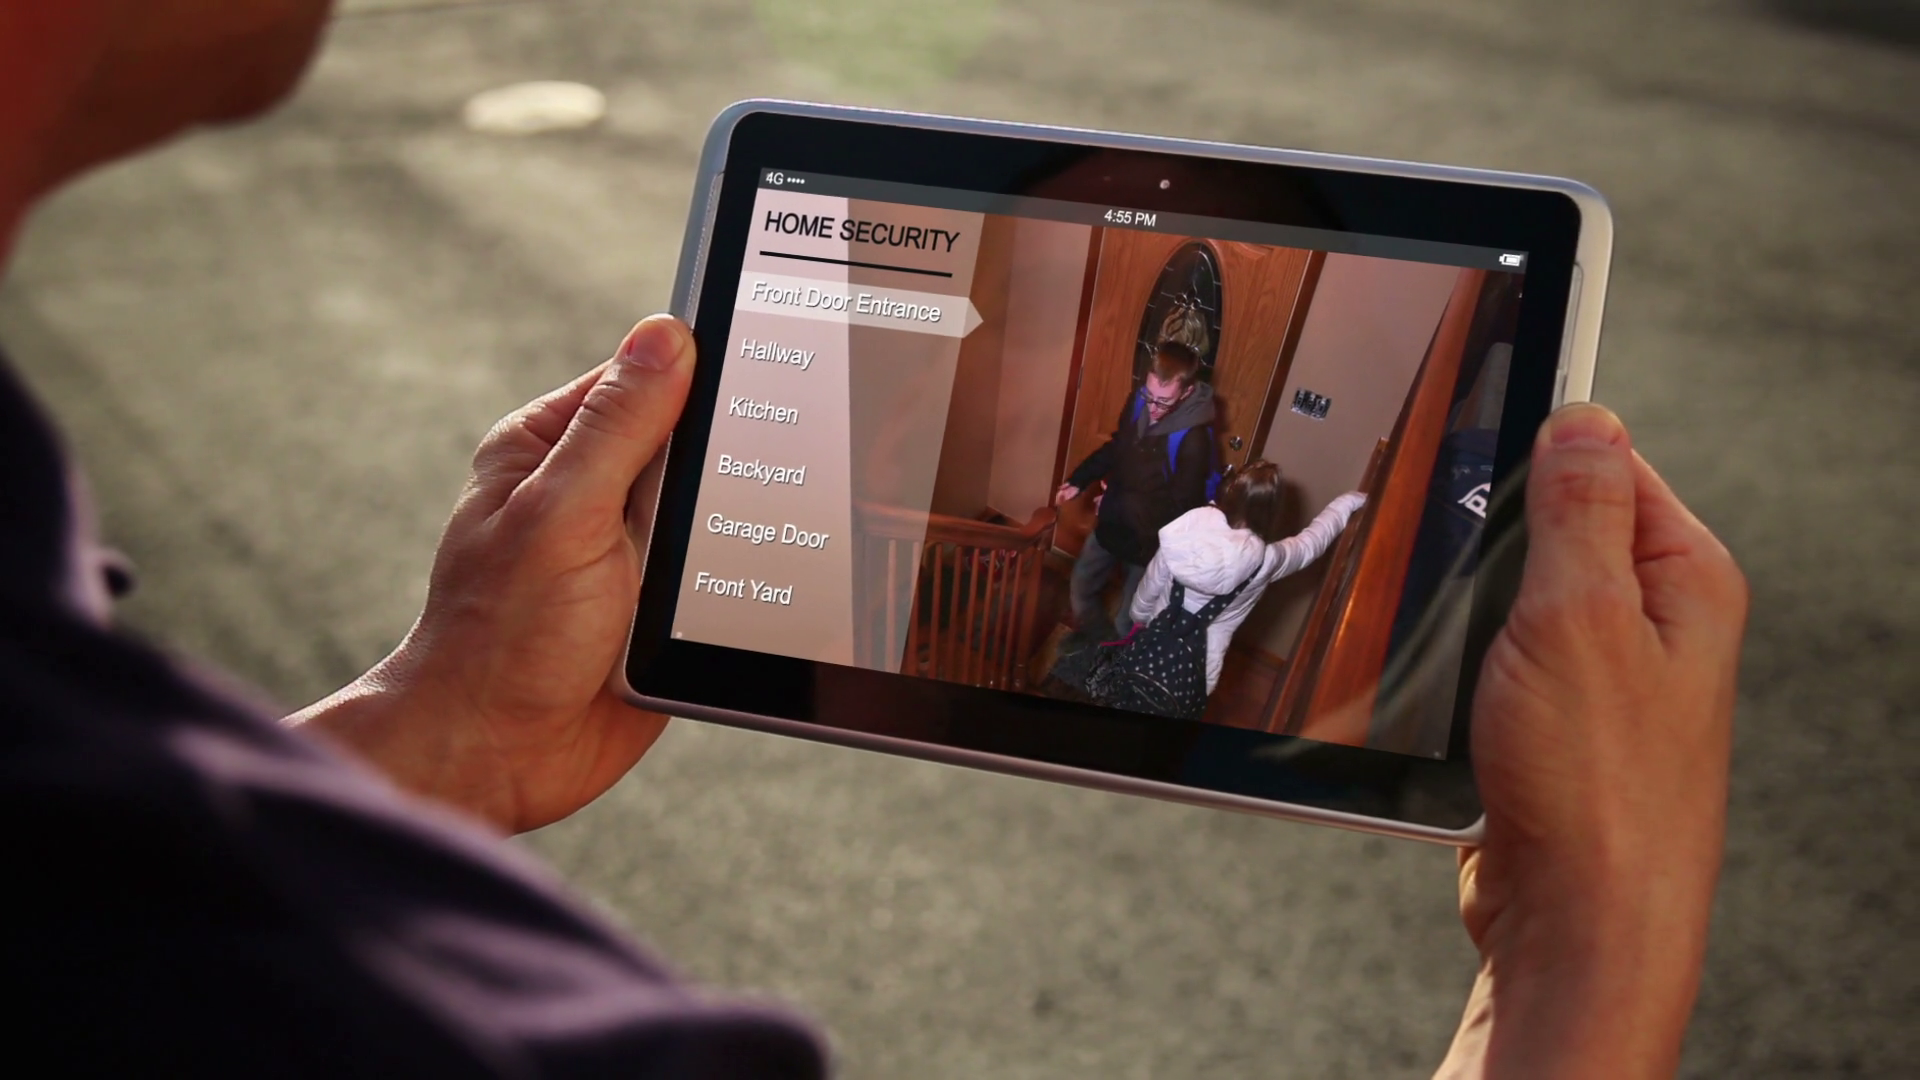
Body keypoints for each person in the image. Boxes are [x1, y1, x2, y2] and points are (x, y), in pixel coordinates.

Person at [0, 4, 1749, 1077]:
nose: (1164, 368)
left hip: (1152, 563)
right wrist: (1588, 949)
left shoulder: (1211, 438)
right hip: (1112, 557)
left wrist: (435, 728)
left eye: (1174, 359)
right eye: (1159, 357)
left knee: (1131, 629)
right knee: (1101, 623)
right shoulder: (447, 1034)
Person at [1128, 461, 1366, 697]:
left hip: (1151, 644)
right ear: (1271, 512)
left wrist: (1138, 618)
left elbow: (1151, 584)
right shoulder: (1266, 561)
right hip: (1197, 669)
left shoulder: (1184, 533)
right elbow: (1310, 545)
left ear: (1231, 492)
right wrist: (1347, 502)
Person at [1056, 341, 1218, 644]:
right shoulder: (1138, 401)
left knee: (1128, 621)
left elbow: (1181, 510)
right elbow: (1118, 447)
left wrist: (1117, 502)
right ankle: (1099, 646)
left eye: (1164, 402)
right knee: (1080, 589)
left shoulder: (1194, 440)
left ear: (1186, 392)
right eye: (1149, 395)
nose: (1153, 409)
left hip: (1149, 544)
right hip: (1113, 523)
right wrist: (1080, 478)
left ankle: (1111, 659)